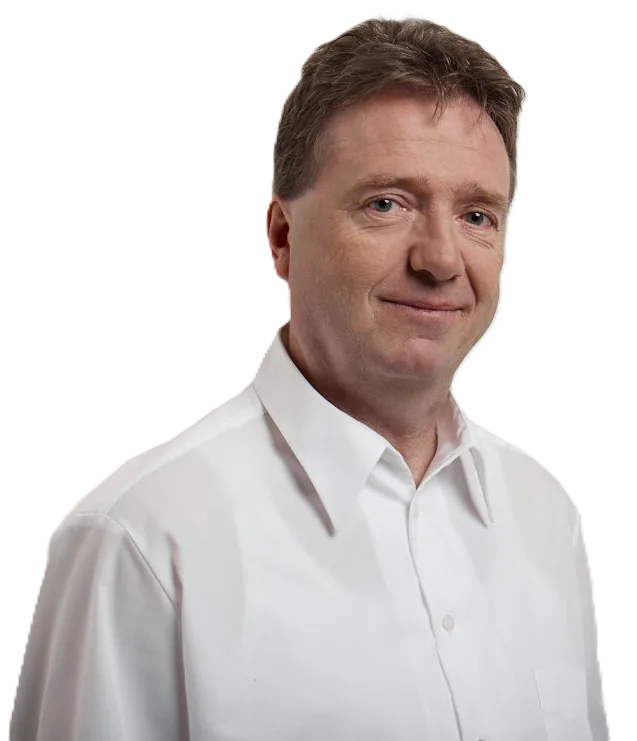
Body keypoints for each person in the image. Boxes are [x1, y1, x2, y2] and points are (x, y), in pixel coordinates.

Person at [10, 14, 607, 741]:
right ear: (281, 235)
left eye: (477, 214)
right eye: (386, 204)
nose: (441, 259)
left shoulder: (543, 511)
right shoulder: (142, 538)